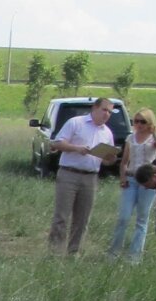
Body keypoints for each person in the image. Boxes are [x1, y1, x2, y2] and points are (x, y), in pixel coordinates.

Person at [47, 96, 116, 255]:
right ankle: (54, 252)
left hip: (90, 177)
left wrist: (110, 159)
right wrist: (77, 148)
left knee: (82, 219)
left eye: (110, 112)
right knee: (61, 216)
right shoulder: (76, 122)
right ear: (94, 108)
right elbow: (57, 143)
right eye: (104, 110)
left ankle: (73, 252)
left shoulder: (107, 133)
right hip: (69, 174)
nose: (107, 114)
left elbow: (106, 161)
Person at [109, 108, 156, 262]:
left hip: (148, 181)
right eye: (136, 121)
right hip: (132, 178)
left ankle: (134, 256)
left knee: (142, 219)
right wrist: (122, 177)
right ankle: (114, 252)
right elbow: (124, 161)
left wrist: (154, 134)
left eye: (143, 121)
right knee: (124, 217)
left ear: (150, 123)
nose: (139, 125)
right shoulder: (131, 138)